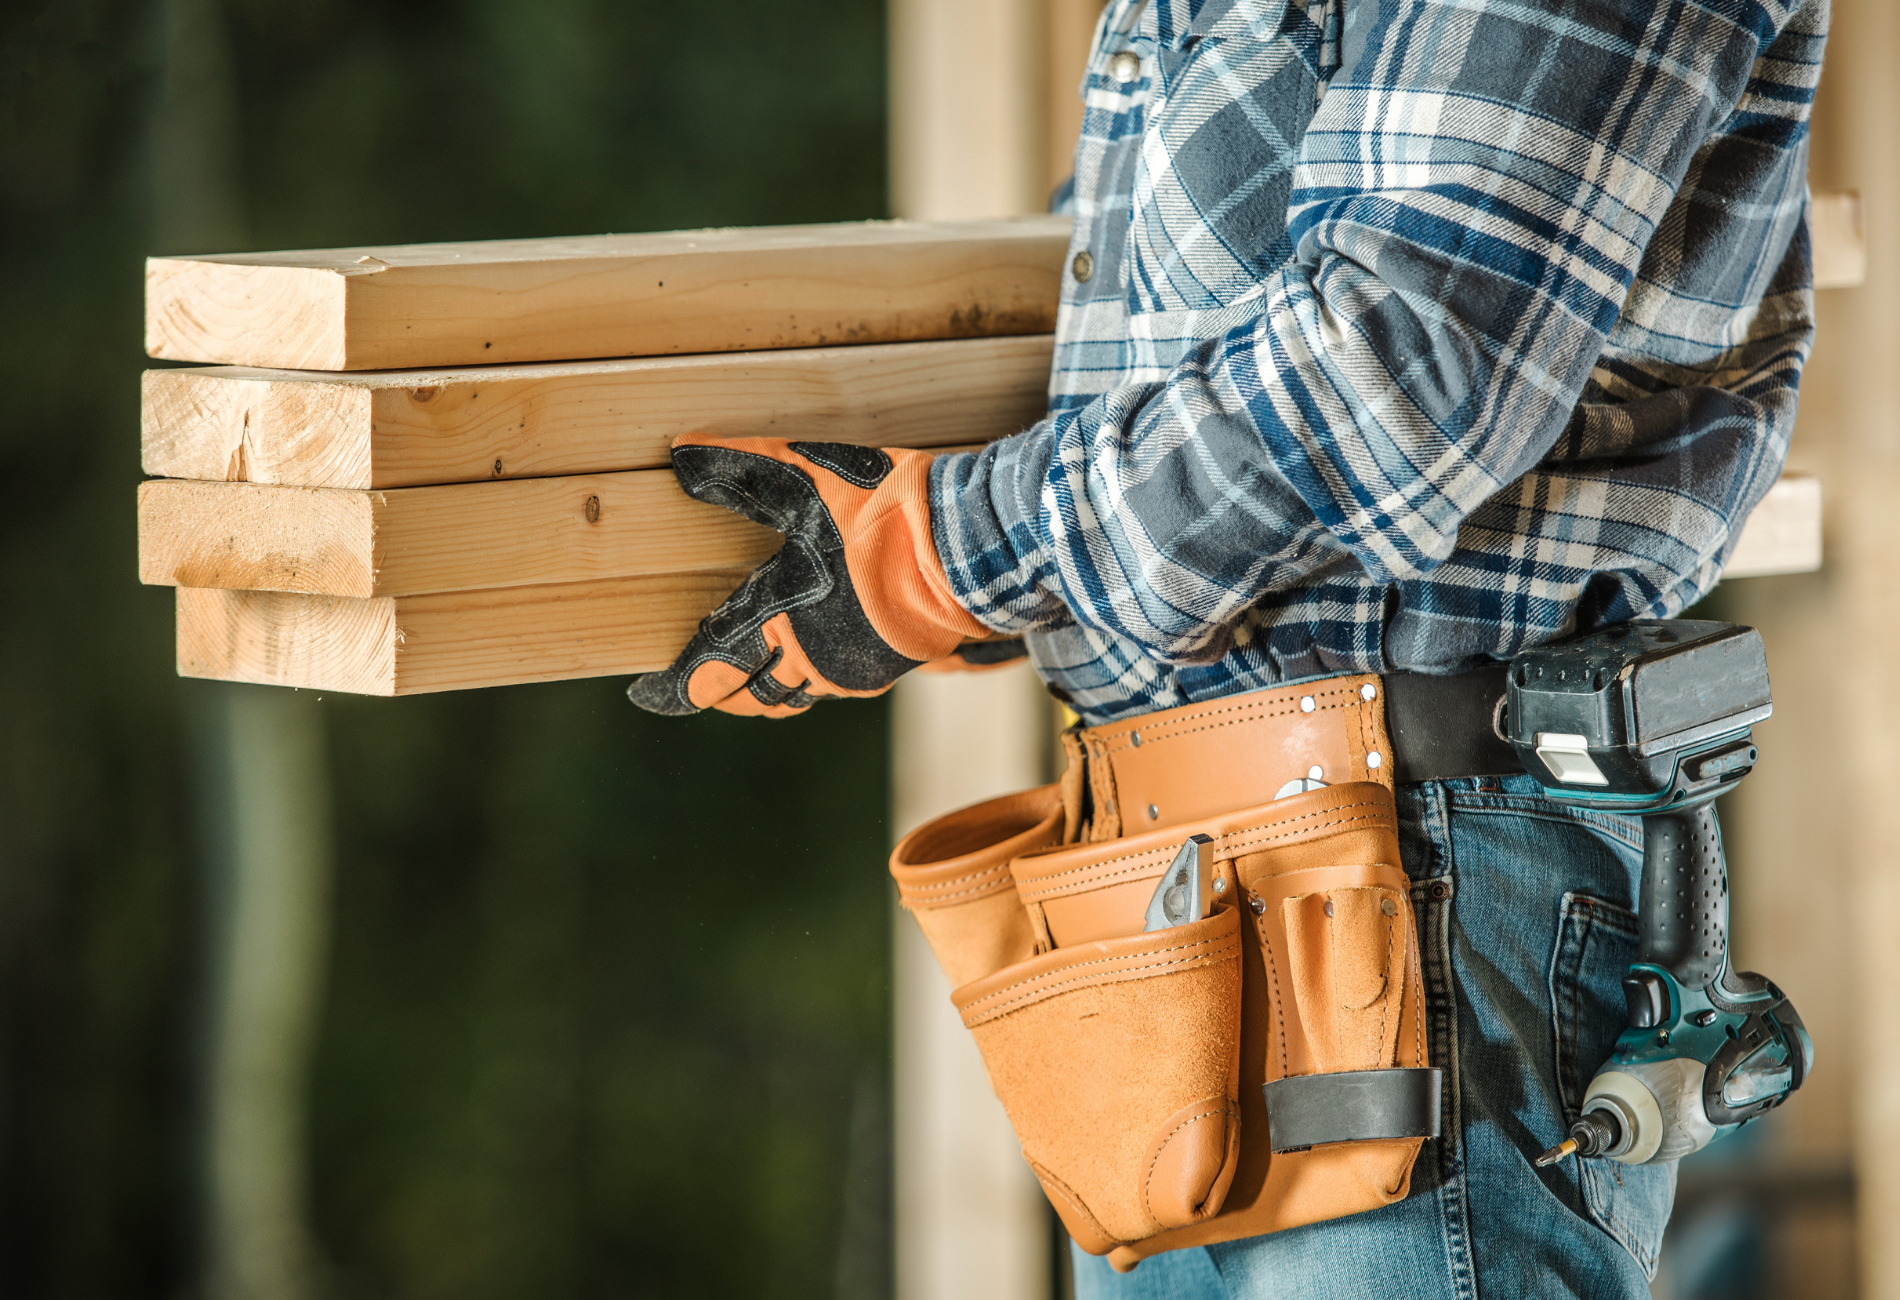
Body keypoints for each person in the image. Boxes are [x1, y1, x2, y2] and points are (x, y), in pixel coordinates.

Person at [628, 0, 1827, 1294]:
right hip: (1171, 901)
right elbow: (1177, 334)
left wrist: (953, 558)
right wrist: (1051, 567)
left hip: (1425, 872)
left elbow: (1409, 357)